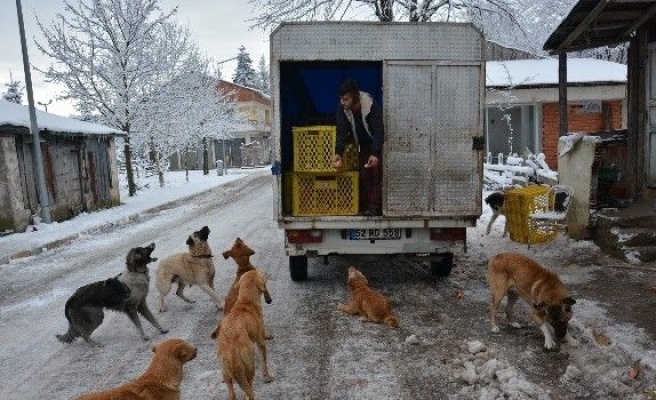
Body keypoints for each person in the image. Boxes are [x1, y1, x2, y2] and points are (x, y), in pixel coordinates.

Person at [333, 79, 384, 216]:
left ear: (355, 96)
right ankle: (367, 207)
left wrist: (375, 153)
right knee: (365, 175)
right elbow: (342, 131)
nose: (342, 102)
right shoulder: (342, 108)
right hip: (362, 145)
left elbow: (379, 130)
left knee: (376, 174)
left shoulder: (370, 104)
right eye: (341, 99)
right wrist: (338, 152)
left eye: (346, 99)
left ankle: (375, 209)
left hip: (375, 144)